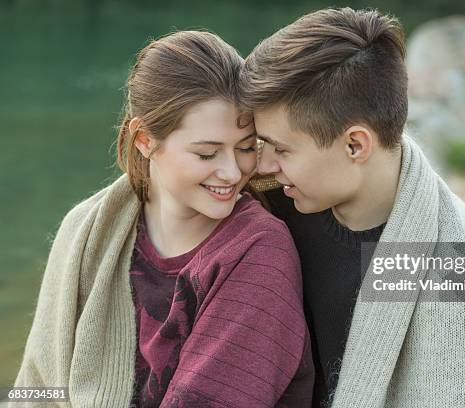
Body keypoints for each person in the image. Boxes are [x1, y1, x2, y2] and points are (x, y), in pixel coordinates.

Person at [241, 8, 465, 408]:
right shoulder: (270, 200)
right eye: (259, 144)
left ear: (355, 144)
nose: (264, 165)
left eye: (282, 149)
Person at [12, 30, 313, 408]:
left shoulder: (258, 249)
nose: (233, 173)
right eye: (207, 154)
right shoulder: (86, 230)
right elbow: (35, 389)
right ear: (144, 140)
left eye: (246, 148)